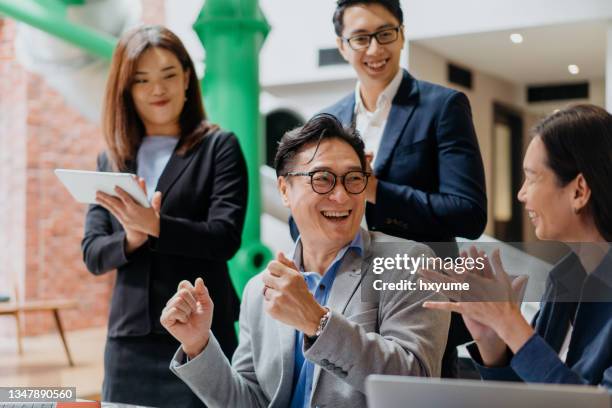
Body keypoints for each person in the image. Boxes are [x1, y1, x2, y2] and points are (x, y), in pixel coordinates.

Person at [161, 114, 450, 407]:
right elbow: (249, 401)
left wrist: (316, 321)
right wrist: (198, 345)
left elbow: (415, 385)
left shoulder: (407, 262)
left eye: (353, 179)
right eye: (322, 179)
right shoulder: (259, 291)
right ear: (285, 190)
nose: (341, 196)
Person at [300, 0, 486, 378]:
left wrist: (375, 189)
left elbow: (468, 212)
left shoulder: (442, 106)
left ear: (402, 34)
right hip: (342, 300)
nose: (374, 48)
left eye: (385, 34)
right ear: (342, 46)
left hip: (420, 300)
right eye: (361, 38)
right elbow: (306, 215)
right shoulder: (328, 120)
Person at [81, 25, 248, 407]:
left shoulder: (218, 146)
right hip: (129, 342)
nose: (158, 89)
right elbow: (92, 253)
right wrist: (132, 239)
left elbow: (224, 237)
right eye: (142, 80)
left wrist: (155, 227)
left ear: (187, 78)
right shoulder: (112, 159)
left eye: (169, 75)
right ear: (126, 89)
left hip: (198, 334)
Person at [423, 104, 612, 389]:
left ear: (579, 191)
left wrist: (510, 323)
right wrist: (493, 340)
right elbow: (529, 395)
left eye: (532, 177)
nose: (521, 194)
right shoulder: (564, 281)